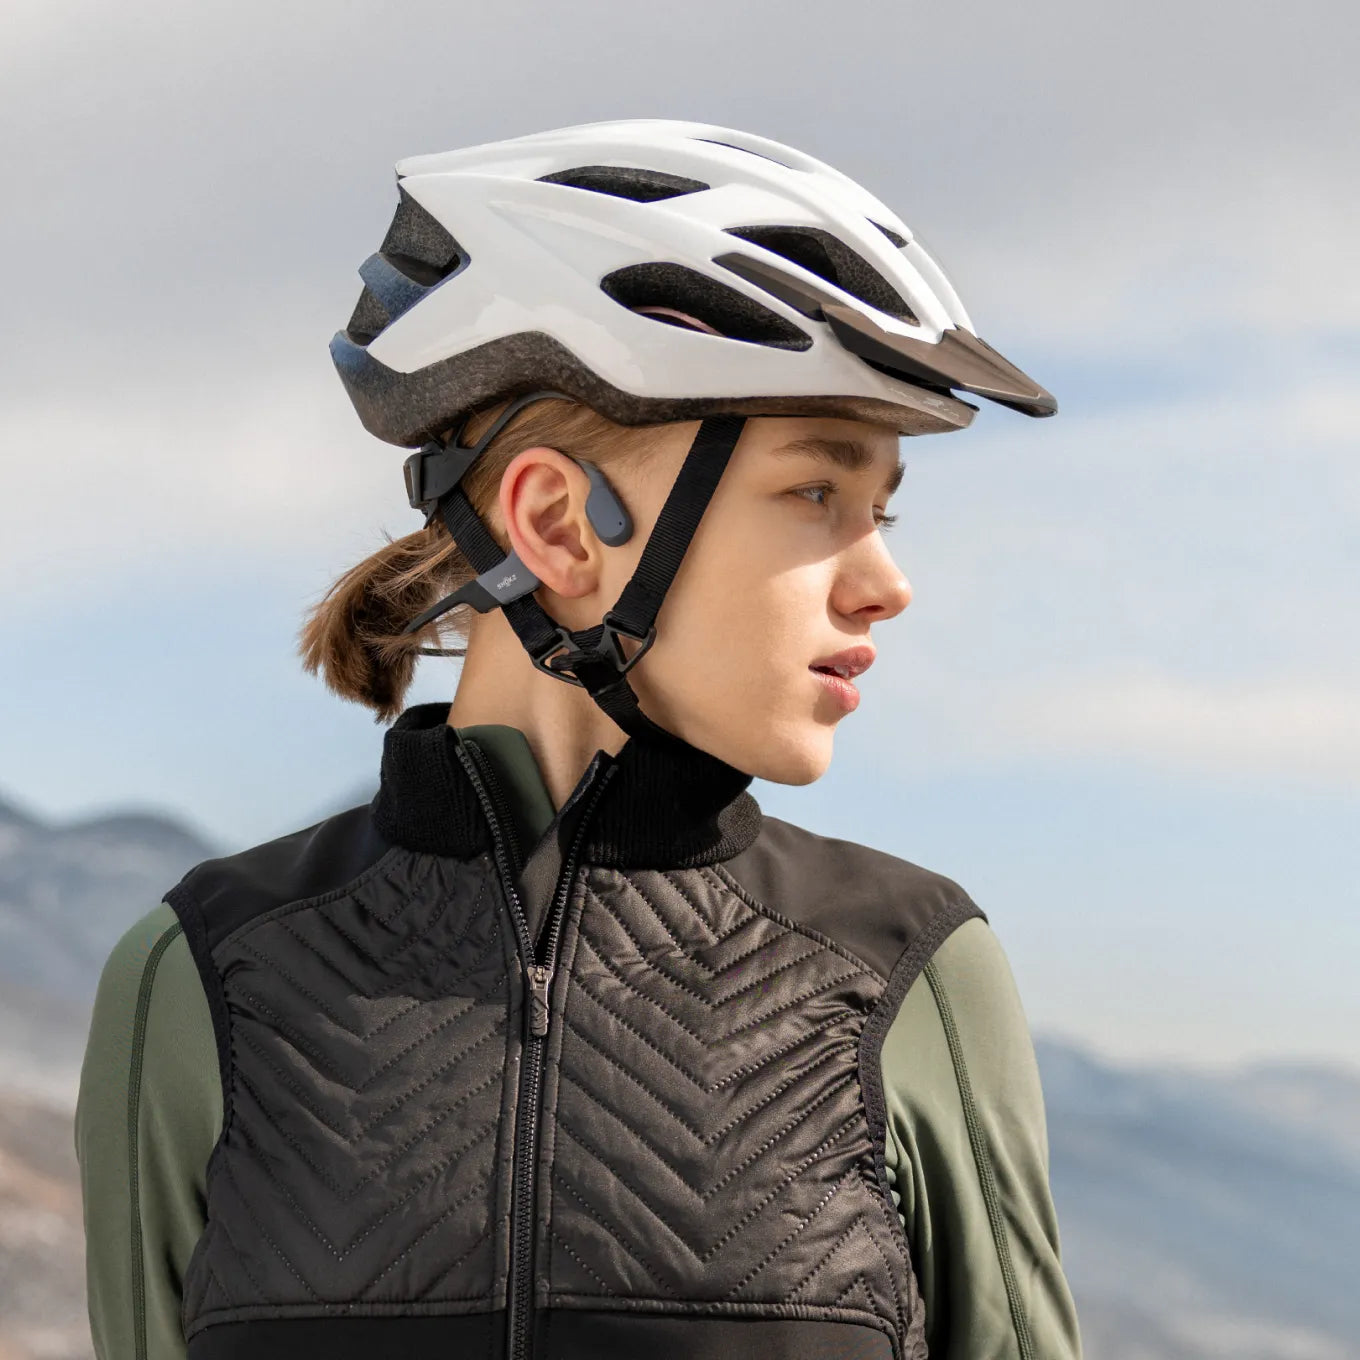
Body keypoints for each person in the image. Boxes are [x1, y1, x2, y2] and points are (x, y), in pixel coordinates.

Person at [74, 119, 1083, 1359]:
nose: (885, 585)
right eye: (815, 492)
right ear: (557, 524)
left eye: (881, 509)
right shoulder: (202, 974)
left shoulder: (909, 969)